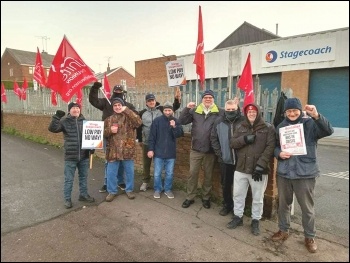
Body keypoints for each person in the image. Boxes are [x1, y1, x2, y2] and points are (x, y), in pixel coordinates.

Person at [271, 98, 334, 253]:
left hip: (305, 173)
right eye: (289, 111)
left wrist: (316, 115)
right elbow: (275, 147)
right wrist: (279, 153)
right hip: (285, 173)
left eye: (295, 111)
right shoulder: (281, 127)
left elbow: (328, 130)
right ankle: (283, 230)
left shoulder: (311, 124)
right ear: (285, 112)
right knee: (283, 205)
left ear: (300, 111)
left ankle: (309, 236)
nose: (292, 113)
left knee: (307, 208)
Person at [227, 103, 275, 236]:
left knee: (258, 197)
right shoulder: (240, 126)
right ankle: (238, 217)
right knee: (238, 194)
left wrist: (261, 165)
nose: (251, 114)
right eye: (249, 112)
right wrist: (244, 139)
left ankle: (255, 220)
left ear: (258, 113)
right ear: (246, 114)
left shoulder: (268, 128)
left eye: (254, 112)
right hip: (241, 167)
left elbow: (270, 147)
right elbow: (232, 143)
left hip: (258, 170)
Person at [179, 90, 224, 209]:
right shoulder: (195, 110)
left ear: (213, 99)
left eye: (210, 97)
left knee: (208, 175)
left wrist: (237, 106)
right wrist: (186, 108)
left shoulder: (220, 112)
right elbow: (182, 121)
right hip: (196, 149)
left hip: (210, 150)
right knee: (193, 174)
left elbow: (232, 118)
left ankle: (206, 198)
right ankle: (190, 197)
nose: (208, 99)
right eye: (205, 97)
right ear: (202, 99)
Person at [89, 82, 137, 193]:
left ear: (123, 93)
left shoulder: (127, 106)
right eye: (116, 92)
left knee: (122, 161)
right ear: (113, 92)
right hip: (109, 137)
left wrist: (126, 111)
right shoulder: (106, 102)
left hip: (125, 139)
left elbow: (136, 118)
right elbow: (93, 101)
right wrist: (95, 88)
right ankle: (107, 183)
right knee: (109, 161)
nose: (118, 93)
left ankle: (120, 181)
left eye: (120, 92)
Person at [48, 102, 95, 209]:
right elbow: (52, 129)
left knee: (83, 177)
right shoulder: (64, 121)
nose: (76, 110)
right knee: (69, 179)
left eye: (77, 108)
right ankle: (67, 199)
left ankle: (83, 195)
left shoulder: (85, 122)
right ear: (69, 110)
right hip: (70, 156)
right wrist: (56, 117)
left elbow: (91, 137)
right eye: (73, 108)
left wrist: (92, 147)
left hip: (84, 156)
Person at [137, 89, 181, 192]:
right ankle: (146, 181)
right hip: (147, 142)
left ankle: (161, 183)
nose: (151, 102)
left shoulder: (161, 109)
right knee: (146, 164)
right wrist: (139, 140)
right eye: (149, 101)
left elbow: (173, 108)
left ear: (155, 100)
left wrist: (177, 99)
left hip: (160, 143)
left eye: (153, 100)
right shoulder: (142, 113)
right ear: (146, 102)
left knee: (160, 164)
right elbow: (139, 127)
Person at [210, 98, 245, 216]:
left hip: (241, 160)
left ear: (237, 109)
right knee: (226, 184)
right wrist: (220, 154)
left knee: (240, 186)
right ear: (225, 110)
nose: (231, 111)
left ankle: (238, 208)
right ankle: (227, 205)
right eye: (228, 109)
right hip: (225, 159)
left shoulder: (244, 121)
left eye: (233, 109)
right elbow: (213, 139)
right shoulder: (218, 121)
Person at [103, 98, 142, 202]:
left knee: (129, 172)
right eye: (115, 105)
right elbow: (103, 133)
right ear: (113, 107)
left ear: (123, 106)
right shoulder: (109, 119)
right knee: (111, 172)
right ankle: (112, 191)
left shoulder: (129, 118)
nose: (117, 107)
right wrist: (109, 130)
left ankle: (129, 190)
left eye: (119, 105)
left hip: (127, 150)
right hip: (113, 150)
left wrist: (127, 110)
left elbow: (138, 122)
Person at [147, 102, 184, 199]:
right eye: (166, 110)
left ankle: (168, 189)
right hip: (158, 152)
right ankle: (158, 189)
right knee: (157, 173)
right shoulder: (157, 121)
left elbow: (180, 134)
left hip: (171, 153)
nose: (167, 112)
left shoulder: (175, 121)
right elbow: (152, 137)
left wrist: (174, 127)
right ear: (163, 111)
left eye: (169, 110)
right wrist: (151, 149)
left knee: (169, 173)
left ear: (172, 111)